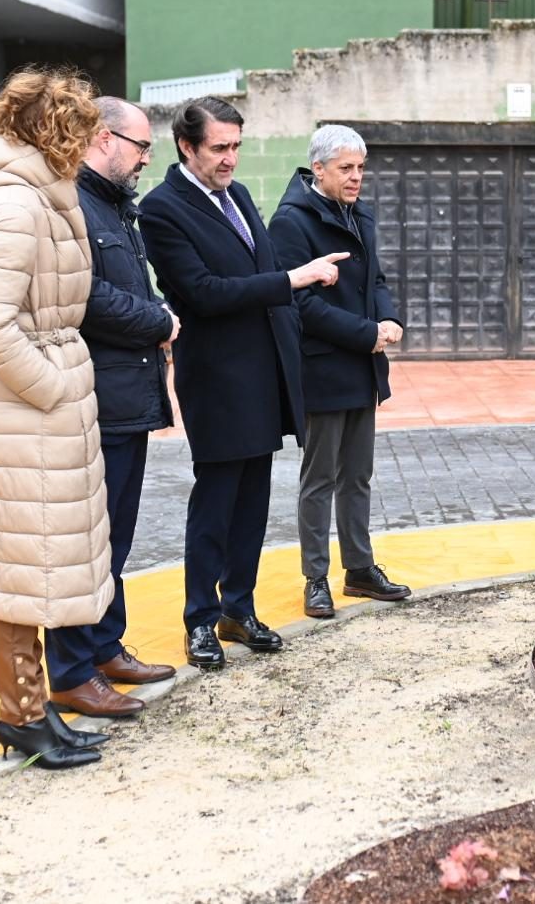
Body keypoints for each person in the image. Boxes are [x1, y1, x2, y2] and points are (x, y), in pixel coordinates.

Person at [138, 96, 348, 670]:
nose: (230, 158)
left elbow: (253, 273)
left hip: (264, 372)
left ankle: (239, 607)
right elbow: (202, 293)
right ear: (186, 146)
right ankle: (200, 619)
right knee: (216, 501)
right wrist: (293, 278)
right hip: (217, 378)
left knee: (253, 499)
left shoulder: (239, 195)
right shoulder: (161, 209)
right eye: (219, 148)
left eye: (236, 146)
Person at [0, 67, 113, 770]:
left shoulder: (35, 193)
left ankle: (32, 708)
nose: (90, 144)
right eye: (81, 130)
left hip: (31, 410)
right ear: (55, 131)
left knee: (29, 565)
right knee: (18, 570)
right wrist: (51, 388)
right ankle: (21, 714)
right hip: (23, 412)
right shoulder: (19, 204)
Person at [45, 97, 179, 719]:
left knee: (115, 536)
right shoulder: (73, 202)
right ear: (103, 139)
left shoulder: (115, 207)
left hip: (127, 394)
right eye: (141, 146)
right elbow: (87, 296)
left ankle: (104, 646)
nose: (147, 158)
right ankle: (72, 670)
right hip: (96, 396)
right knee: (87, 542)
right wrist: (158, 321)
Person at [268, 125, 412, 618]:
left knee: (359, 475)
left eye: (361, 168)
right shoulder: (290, 222)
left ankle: (359, 569)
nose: (356, 178)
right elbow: (298, 302)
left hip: (361, 366)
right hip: (322, 369)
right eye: (346, 169)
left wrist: (389, 316)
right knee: (320, 479)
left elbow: (376, 280)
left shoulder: (360, 215)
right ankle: (315, 578)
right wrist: (364, 333)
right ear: (320, 168)